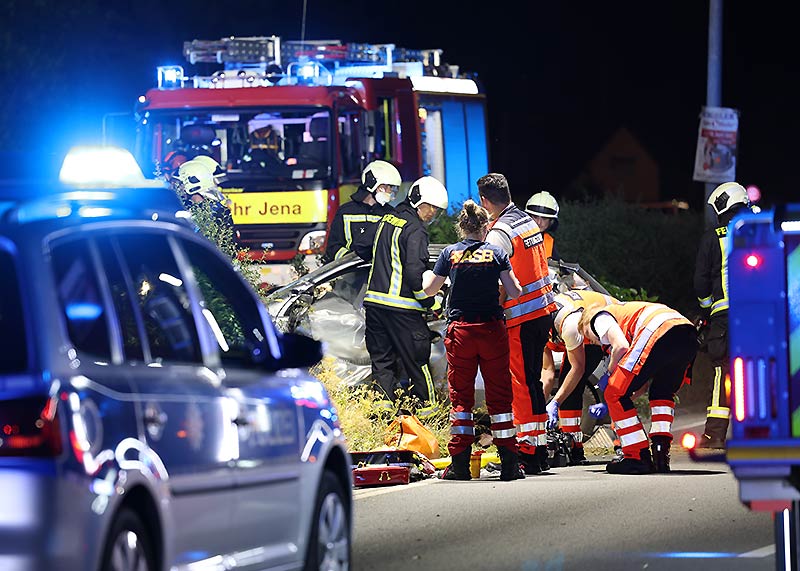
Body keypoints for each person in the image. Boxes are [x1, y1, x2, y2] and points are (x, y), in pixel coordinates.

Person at [422, 200, 525, 481]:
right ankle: (509, 466)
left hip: (461, 333)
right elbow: (515, 292)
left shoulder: (449, 254)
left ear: (461, 228)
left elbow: (429, 289)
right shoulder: (497, 253)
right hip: (491, 331)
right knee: (500, 396)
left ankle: (459, 466)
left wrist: (434, 280)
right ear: (486, 227)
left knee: (461, 398)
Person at [478, 173, 557, 474]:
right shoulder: (525, 220)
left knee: (521, 384)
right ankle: (537, 449)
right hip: (541, 312)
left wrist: (490, 312)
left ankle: (526, 449)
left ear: (485, 201)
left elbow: (496, 281)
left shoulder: (500, 232)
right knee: (533, 382)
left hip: (520, 317)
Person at [363, 176, 449, 418]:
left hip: (375, 307)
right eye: (432, 209)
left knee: (382, 364)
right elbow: (414, 274)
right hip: (403, 309)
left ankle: (382, 420)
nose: (433, 215)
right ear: (420, 202)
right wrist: (432, 302)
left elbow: (363, 247)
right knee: (417, 362)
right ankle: (431, 417)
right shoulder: (415, 230)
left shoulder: (386, 220)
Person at [577, 301, 697, 474]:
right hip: (685, 333)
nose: (593, 341)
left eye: (588, 335)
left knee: (613, 392)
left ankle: (636, 457)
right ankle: (660, 453)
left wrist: (609, 376)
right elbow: (640, 387)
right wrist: (613, 406)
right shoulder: (627, 314)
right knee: (661, 393)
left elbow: (621, 346)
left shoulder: (598, 318)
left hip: (657, 330)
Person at [694, 181, 752, 449]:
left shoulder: (713, 236)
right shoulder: (762, 229)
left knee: (723, 373)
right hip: (761, 318)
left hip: (725, 319)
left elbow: (701, 282)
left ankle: (715, 434)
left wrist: (707, 307)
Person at [543, 289, 621, 464]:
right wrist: (540, 408)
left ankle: (621, 444)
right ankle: (573, 445)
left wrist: (555, 402)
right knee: (567, 382)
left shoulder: (568, 323)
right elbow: (547, 372)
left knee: (576, 381)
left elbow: (578, 369)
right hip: (586, 326)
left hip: (604, 323)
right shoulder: (539, 327)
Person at [322, 160, 401, 263]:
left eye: (392, 188)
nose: (390, 192)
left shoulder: (390, 214)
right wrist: (351, 261)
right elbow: (333, 248)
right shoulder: (345, 213)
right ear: (372, 183)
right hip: (349, 276)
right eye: (387, 187)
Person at [173, 157, 234, 232]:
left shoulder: (218, 213)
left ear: (192, 184)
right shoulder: (183, 209)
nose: (176, 188)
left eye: (179, 184)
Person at [524, 191, 561, 261]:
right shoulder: (516, 237)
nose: (539, 222)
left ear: (551, 221)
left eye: (544, 218)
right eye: (535, 217)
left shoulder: (549, 242)